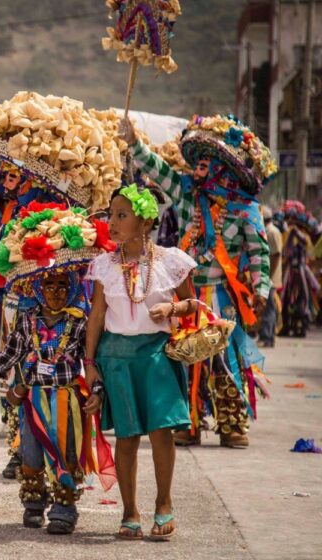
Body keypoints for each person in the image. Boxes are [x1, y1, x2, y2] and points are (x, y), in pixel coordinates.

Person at [122, 114, 273, 448]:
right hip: (188, 292)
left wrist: (262, 290)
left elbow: (260, 253)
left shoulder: (246, 210)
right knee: (187, 355)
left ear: (224, 168)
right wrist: (133, 142)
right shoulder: (190, 195)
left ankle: (232, 424)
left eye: (207, 163)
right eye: (199, 163)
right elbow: (159, 171)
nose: (199, 169)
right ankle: (188, 420)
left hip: (223, 295)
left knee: (225, 360)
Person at [0, 201, 116, 535]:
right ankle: (33, 503)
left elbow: (91, 357)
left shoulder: (78, 323)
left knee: (67, 452)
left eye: (63, 286)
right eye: (50, 286)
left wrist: (96, 389)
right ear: (37, 288)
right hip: (31, 398)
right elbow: (12, 352)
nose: (57, 292)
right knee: (30, 452)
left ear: (73, 288)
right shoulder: (27, 319)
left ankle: (64, 507)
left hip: (66, 399)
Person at [85, 184, 196, 541]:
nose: (112, 223)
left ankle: (164, 503)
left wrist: (173, 308)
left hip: (156, 357)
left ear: (145, 221)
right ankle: (129, 511)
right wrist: (89, 361)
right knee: (128, 436)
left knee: (162, 432)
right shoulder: (104, 265)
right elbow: (97, 316)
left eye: (121, 216)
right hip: (117, 358)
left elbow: (194, 304)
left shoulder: (171, 261)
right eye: (110, 216)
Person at [278, 201, 319, 338]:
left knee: (302, 299)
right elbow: (285, 252)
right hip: (291, 271)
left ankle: (299, 327)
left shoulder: (300, 236)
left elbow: (307, 253)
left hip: (300, 271)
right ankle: (287, 327)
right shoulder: (289, 235)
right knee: (287, 298)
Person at [258, 205, 283, 347]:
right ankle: (268, 336)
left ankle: (267, 337)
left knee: (268, 307)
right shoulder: (269, 231)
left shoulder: (271, 232)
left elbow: (276, 255)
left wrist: (268, 275)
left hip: (270, 277)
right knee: (269, 307)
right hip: (269, 276)